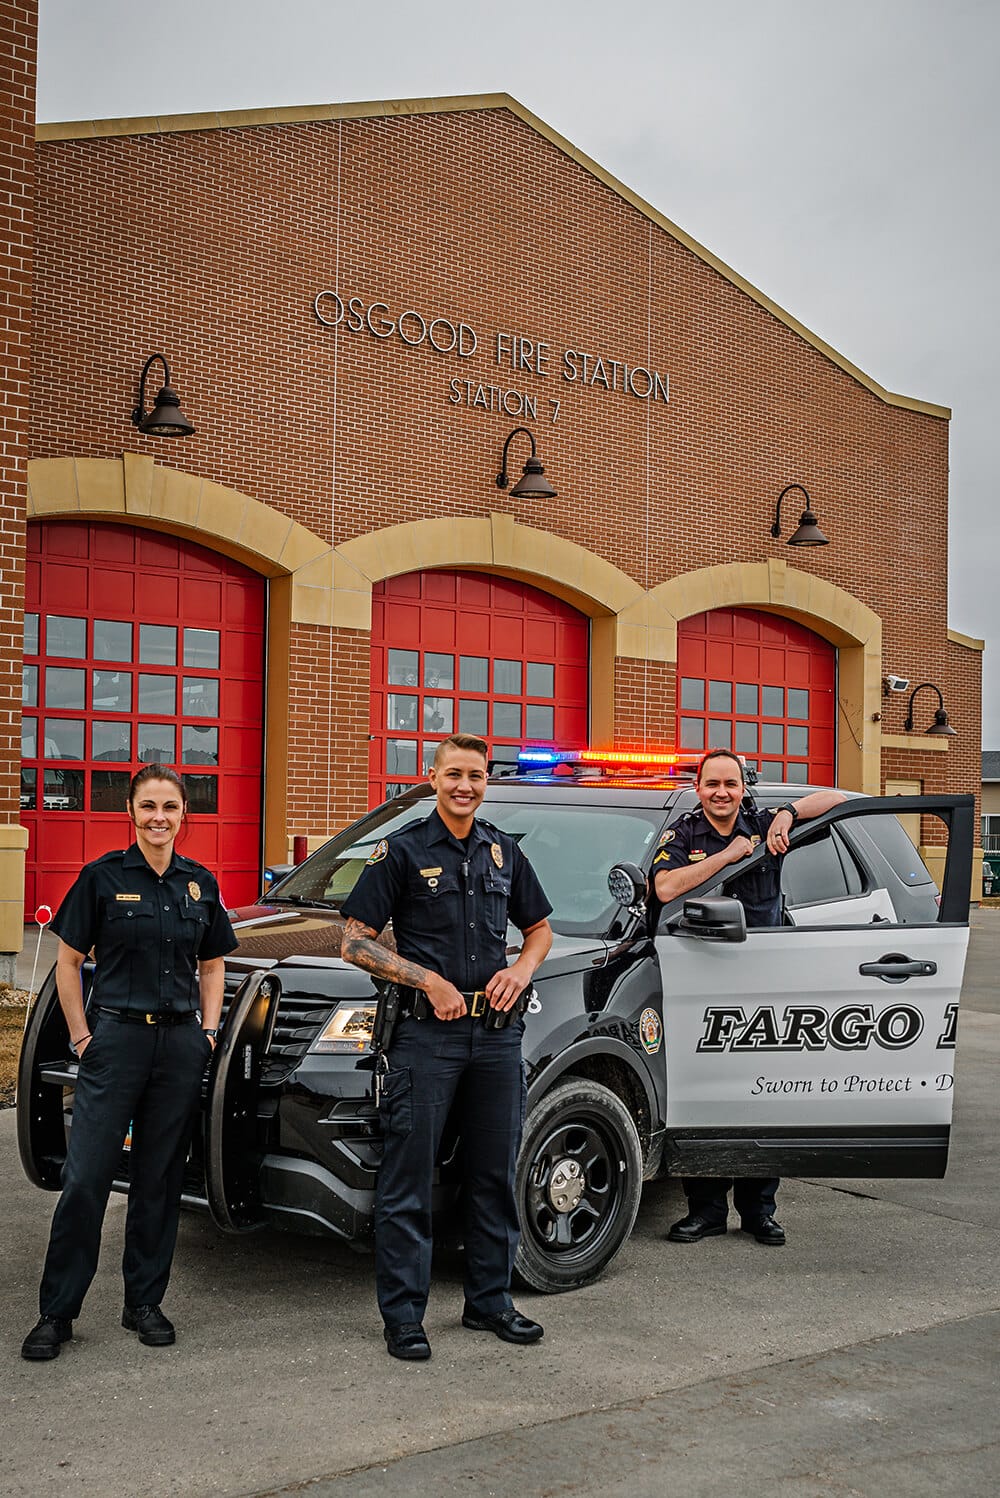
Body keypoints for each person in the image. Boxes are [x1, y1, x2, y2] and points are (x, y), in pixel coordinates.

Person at [341, 733, 553, 1361]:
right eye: (454, 774)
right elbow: (353, 941)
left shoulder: (502, 850)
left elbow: (540, 929)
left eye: (476, 776)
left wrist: (522, 970)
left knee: (494, 1172)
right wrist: (426, 980)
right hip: (425, 1037)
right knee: (408, 1179)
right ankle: (404, 1317)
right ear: (432, 778)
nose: (465, 785)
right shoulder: (402, 850)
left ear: (487, 782)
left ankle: (490, 1302)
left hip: (496, 1035)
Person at [21, 765, 237, 1361]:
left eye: (170, 807)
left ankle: (144, 1303)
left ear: (184, 814)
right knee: (86, 1178)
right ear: (132, 812)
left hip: (179, 1047)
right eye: (148, 806)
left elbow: (213, 963)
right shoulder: (102, 877)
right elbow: (68, 963)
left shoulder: (200, 884)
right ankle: (56, 1313)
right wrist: (82, 1037)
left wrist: (208, 1032)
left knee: (158, 1180)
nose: (159, 817)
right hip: (115, 1042)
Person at [653, 748, 845, 1247]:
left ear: (743, 788)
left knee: (763, 1094)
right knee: (707, 1094)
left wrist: (787, 813)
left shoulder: (765, 823)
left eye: (730, 784)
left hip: (765, 980)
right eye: (712, 784)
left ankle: (760, 1212)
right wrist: (728, 856)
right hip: (702, 980)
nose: (721, 793)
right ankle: (706, 1211)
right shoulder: (684, 834)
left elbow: (836, 799)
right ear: (698, 788)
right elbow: (665, 887)